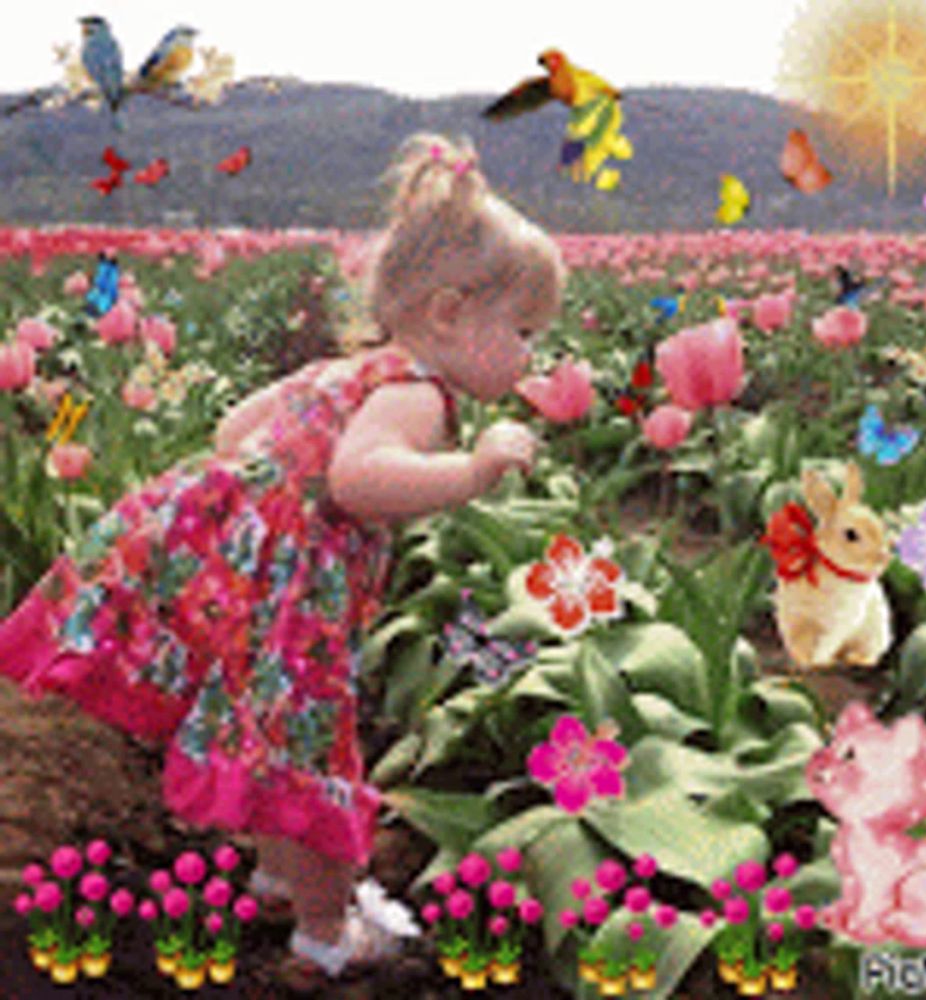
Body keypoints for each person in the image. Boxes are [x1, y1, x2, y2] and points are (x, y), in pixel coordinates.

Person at [0, 131, 565, 988]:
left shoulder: (352, 371)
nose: (531, 356)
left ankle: (273, 876)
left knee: (266, 733)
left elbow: (236, 431)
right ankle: (328, 928)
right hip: (292, 596)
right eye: (522, 331)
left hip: (225, 568)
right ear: (449, 314)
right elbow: (359, 479)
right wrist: (476, 467)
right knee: (309, 749)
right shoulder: (417, 396)